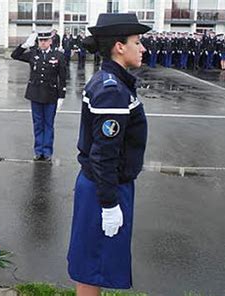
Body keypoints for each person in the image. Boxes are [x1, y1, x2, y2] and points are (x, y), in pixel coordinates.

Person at [67, 13, 150, 295]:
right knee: (93, 263)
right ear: (119, 46)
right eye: (137, 42)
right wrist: (109, 203)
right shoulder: (112, 90)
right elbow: (104, 154)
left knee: (93, 260)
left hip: (103, 185)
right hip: (105, 187)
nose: (142, 49)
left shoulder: (113, 81)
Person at [11, 31, 66, 161]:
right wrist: (25, 45)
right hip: (35, 94)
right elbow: (15, 55)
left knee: (48, 124)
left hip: (51, 95)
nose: (43, 43)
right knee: (38, 124)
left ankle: (47, 152)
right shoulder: (33, 54)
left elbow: (63, 77)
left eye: (45, 40)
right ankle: (38, 151)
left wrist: (61, 96)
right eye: (40, 40)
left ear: (50, 41)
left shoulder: (58, 55)